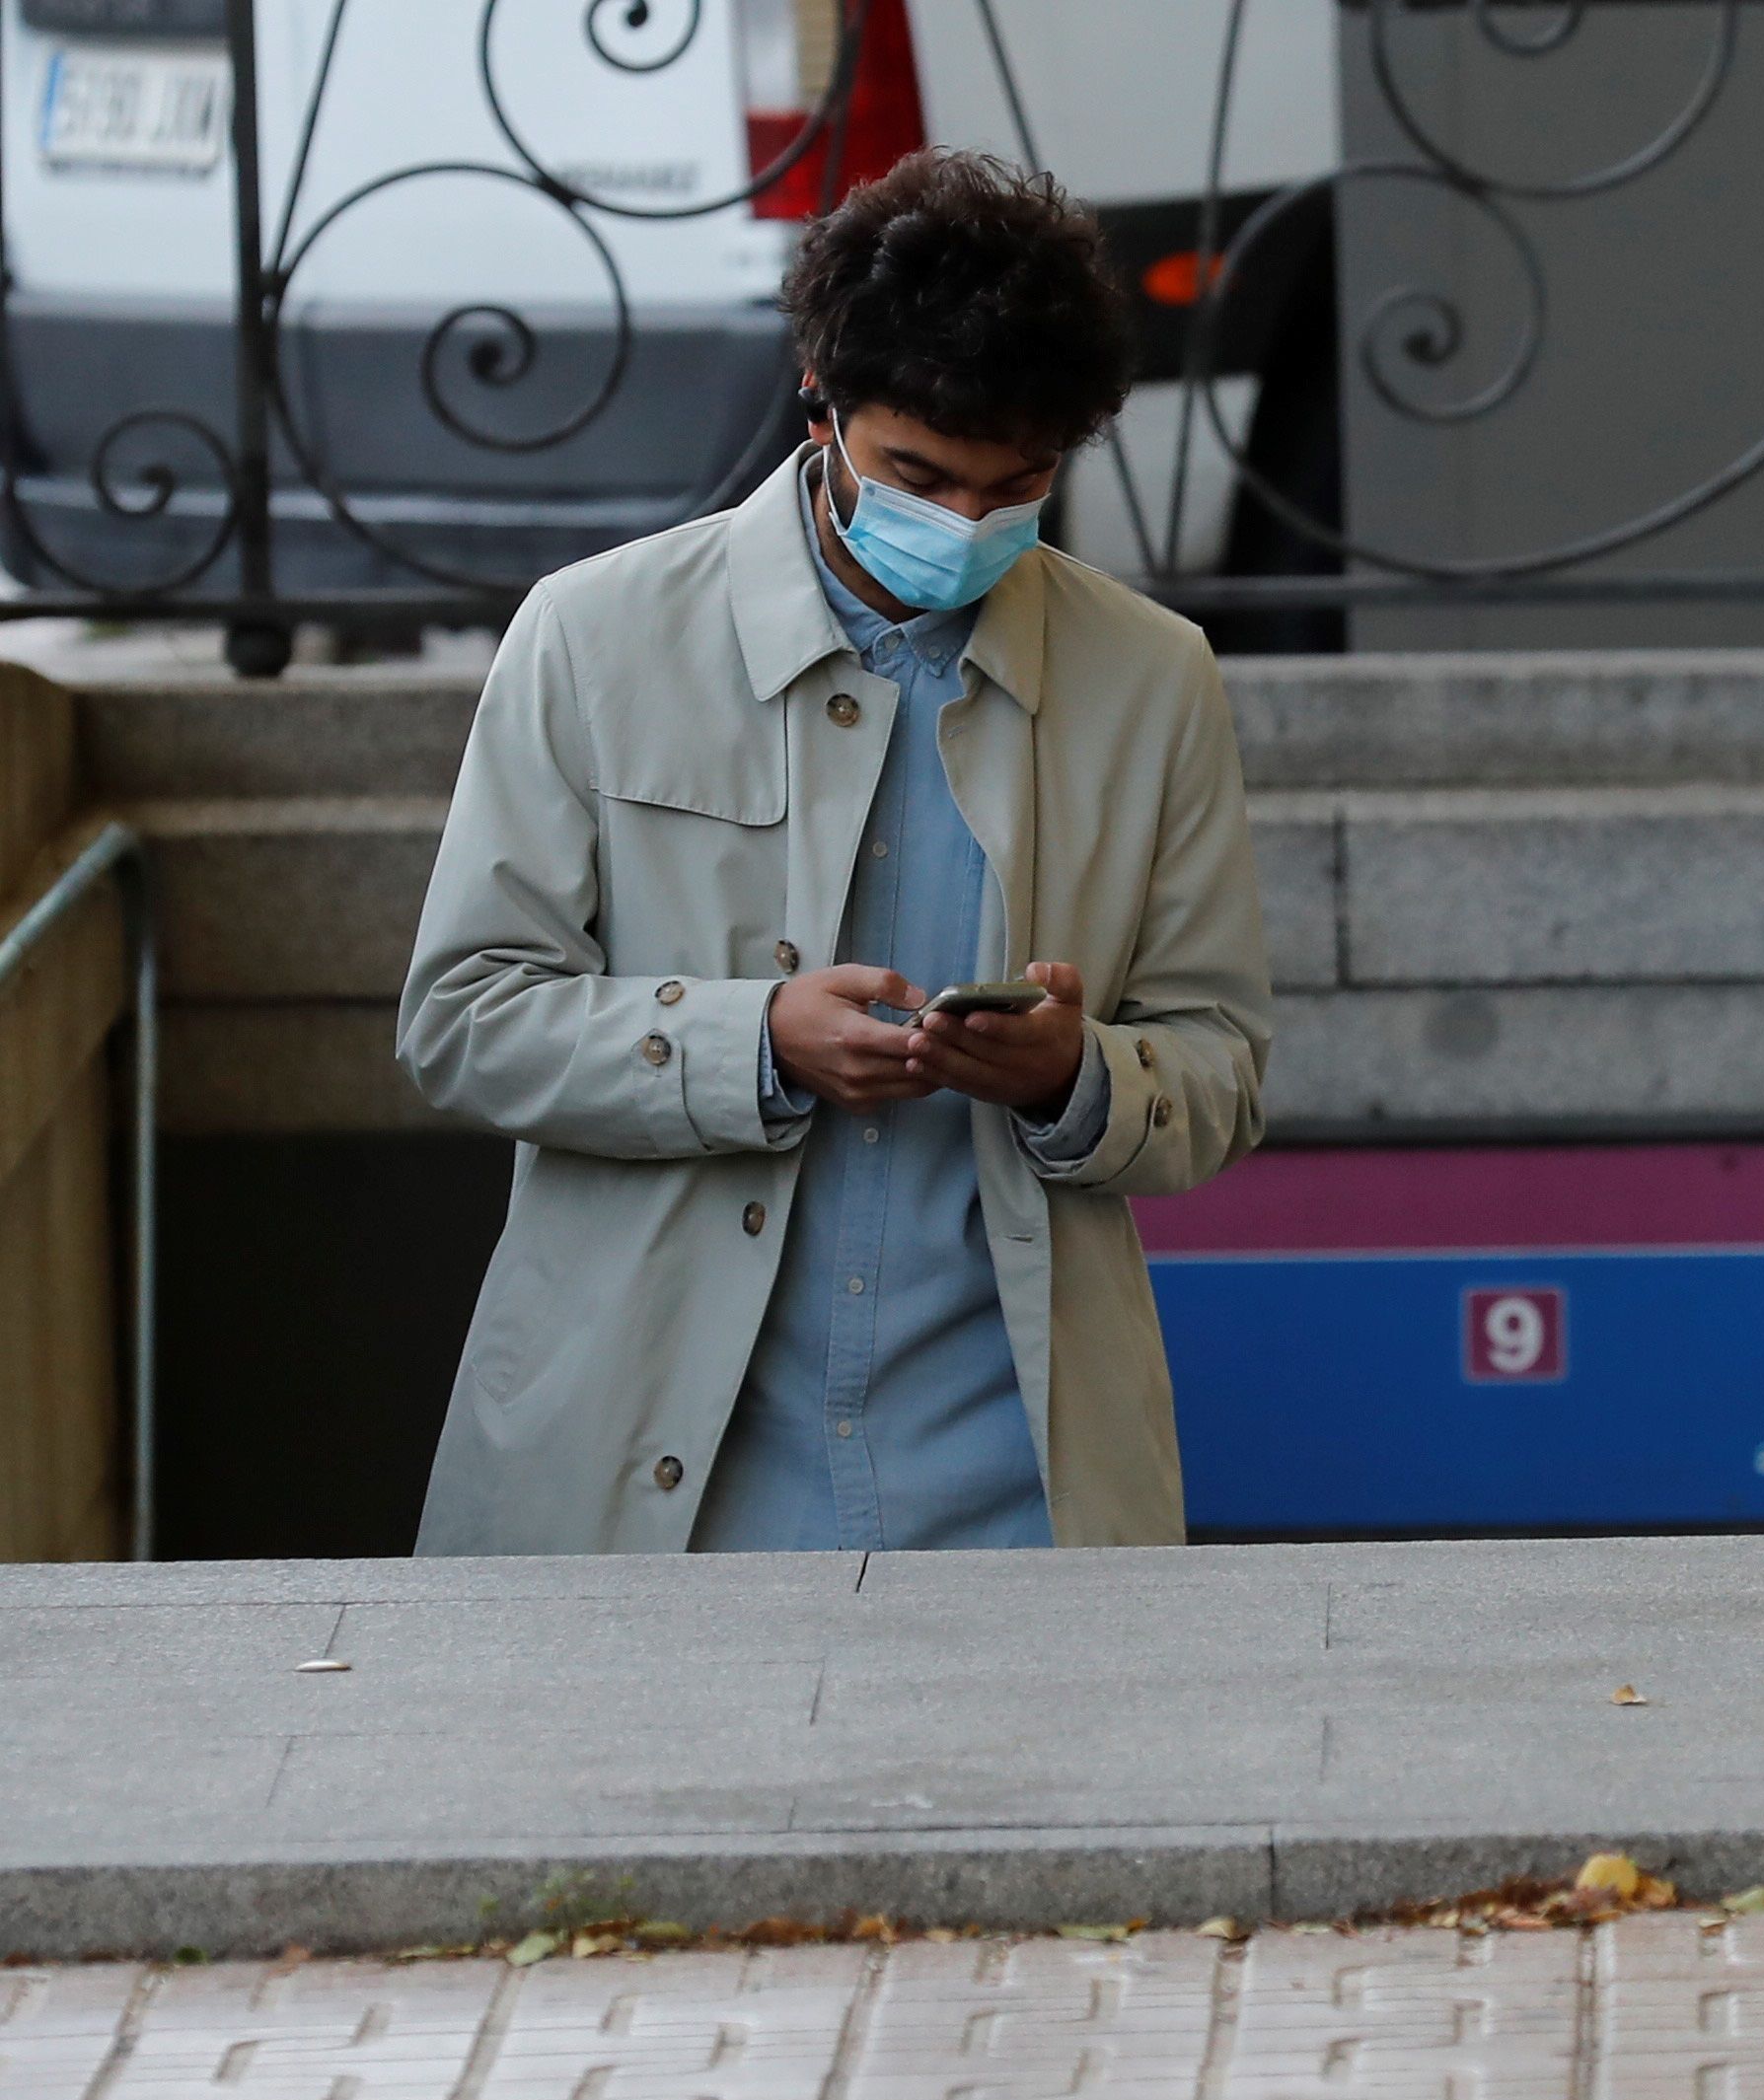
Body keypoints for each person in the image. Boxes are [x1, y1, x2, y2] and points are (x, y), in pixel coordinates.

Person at [398, 150, 1272, 1555]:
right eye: (918, 476)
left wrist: (1076, 1074)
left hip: (1015, 1486)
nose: (969, 524)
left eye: (1016, 487)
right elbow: (462, 1023)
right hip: (653, 1472)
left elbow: (1222, 1064)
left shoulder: (1155, 677)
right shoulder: (593, 634)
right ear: (819, 392)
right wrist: (751, 1043)